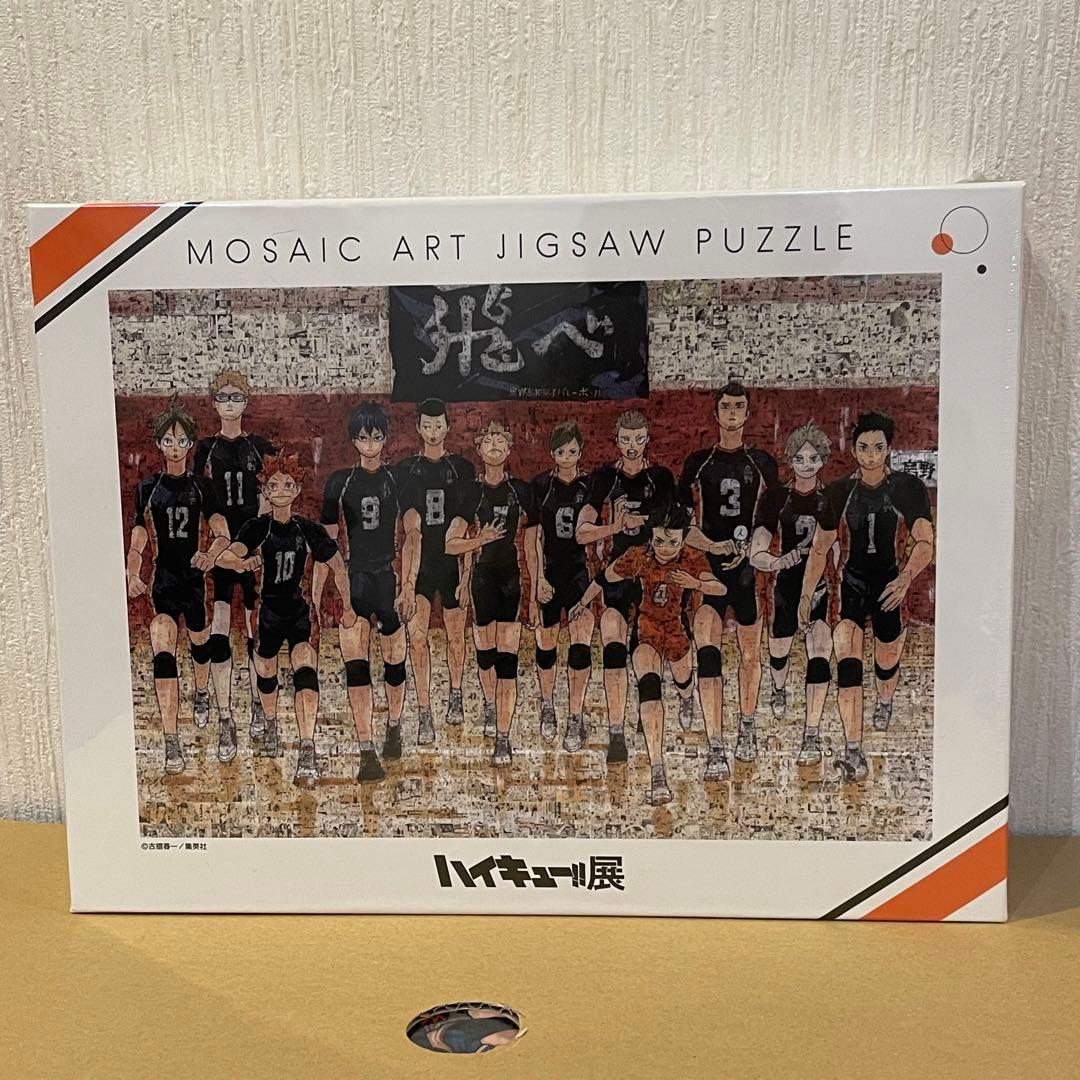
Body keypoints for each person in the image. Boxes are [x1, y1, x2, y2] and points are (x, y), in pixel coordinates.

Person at [799, 411, 935, 781]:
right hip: (852, 586)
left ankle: (885, 698)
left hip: (891, 585)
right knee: (848, 664)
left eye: (878, 447)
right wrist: (806, 595)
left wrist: (905, 578)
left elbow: (925, 542)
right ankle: (853, 750)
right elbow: (819, 548)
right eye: (863, 447)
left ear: (888, 449)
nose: (871, 455)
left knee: (886, 663)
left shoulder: (907, 488)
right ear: (854, 450)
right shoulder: (839, 492)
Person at [572, 503, 725, 803]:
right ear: (651, 537)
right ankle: (658, 772)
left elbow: (718, 588)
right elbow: (604, 577)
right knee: (649, 688)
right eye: (659, 541)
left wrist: (696, 583)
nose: (665, 548)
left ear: (682, 539)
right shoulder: (638, 556)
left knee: (684, 680)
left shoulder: (692, 557)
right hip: (647, 631)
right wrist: (582, 602)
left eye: (672, 542)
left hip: (676, 631)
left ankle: (686, 698)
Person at [219, 451, 354, 784]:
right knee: (266, 671)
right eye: (274, 485)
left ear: (297, 490)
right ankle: (270, 722)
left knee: (305, 666)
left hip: (298, 611)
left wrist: (348, 606)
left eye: (288, 485)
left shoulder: (307, 529)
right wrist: (243, 563)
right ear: (265, 490)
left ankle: (307, 747)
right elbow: (225, 557)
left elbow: (338, 565)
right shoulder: (257, 527)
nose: (281, 491)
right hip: (267, 611)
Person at [126, 397, 231, 774]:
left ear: (190, 444)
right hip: (164, 583)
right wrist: (132, 571)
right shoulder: (148, 488)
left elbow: (221, 531)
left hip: (195, 584)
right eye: (168, 441)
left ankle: (202, 691)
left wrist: (211, 554)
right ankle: (171, 739)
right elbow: (139, 537)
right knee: (162, 644)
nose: (174, 447)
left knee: (200, 646)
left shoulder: (202, 487)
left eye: (181, 440)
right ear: (159, 444)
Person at [315, 402, 417, 782]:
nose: (370, 444)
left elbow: (413, 534)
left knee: (394, 661)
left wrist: (408, 585)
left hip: (387, 578)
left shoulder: (398, 479)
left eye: (376, 437)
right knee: (356, 666)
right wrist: (320, 596)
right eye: (363, 437)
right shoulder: (339, 482)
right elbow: (326, 546)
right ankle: (365, 750)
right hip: (355, 579)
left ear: (385, 438)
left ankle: (394, 724)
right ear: (354, 440)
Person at [680, 381, 778, 764]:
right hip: (709, 571)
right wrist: (715, 547)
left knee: (750, 656)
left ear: (747, 414)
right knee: (708, 655)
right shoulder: (698, 463)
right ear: (716, 413)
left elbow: (770, 522)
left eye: (739, 406)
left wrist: (750, 549)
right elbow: (682, 527)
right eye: (726, 406)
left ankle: (747, 725)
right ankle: (716, 745)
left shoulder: (762, 463)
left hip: (747, 574)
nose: (732, 413)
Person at [575, 410, 676, 763]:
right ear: (616, 440)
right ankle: (616, 731)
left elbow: (677, 524)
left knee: (648, 648)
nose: (632, 446)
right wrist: (615, 527)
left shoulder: (660, 477)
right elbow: (582, 532)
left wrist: (645, 522)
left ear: (647, 439)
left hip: (653, 574)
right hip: (617, 571)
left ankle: (647, 710)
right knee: (613, 641)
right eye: (625, 439)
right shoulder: (604, 478)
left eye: (639, 439)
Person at [445, 420, 539, 767]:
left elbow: (533, 544)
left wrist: (535, 589)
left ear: (510, 449)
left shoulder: (521, 490)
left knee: (507, 661)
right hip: (482, 579)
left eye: (501, 440)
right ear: (480, 449)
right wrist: (479, 541)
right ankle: (489, 703)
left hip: (509, 578)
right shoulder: (471, 492)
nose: (495, 445)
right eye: (489, 441)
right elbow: (450, 544)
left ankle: (503, 736)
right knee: (485, 656)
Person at [193, 370, 277, 742]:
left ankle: (259, 702)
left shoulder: (258, 446)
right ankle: (225, 717)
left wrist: (257, 540)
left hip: (252, 544)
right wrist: (217, 545)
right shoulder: (205, 448)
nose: (230, 403)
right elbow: (198, 499)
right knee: (220, 627)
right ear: (214, 402)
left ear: (246, 401)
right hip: (221, 545)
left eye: (236, 397)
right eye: (223, 397)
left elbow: (271, 495)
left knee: (257, 629)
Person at [750, 421, 836, 764]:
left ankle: (811, 733)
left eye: (813, 458)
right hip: (785, 584)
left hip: (820, 588)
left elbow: (837, 546)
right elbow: (756, 551)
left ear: (822, 460)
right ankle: (779, 688)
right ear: (790, 460)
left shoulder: (830, 499)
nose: (806, 464)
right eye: (800, 458)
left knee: (820, 652)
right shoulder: (775, 498)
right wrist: (776, 561)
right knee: (779, 651)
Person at [397, 399, 476, 743]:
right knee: (417, 638)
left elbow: (465, 528)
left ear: (448, 426)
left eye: (438, 425)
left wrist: (466, 576)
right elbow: (411, 531)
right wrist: (408, 582)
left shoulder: (461, 468)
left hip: (451, 562)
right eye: (426, 425)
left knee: (456, 635)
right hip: (421, 564)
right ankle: (425, 710)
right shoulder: (407, 470)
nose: (432, 432)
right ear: (418, 427)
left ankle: (455, 692)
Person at [529, 421, 594, 750]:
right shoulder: (541, 485)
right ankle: (547, 704)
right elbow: (534, 538)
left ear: (580, 452)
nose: (566, 457)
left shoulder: (590, 484)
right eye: (560, 451)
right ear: (552, 453)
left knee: (580, 645)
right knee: (547, 645)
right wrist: (538, 579)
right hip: (551, 573)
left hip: (579, 572)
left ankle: (575, 715)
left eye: (572, 451)